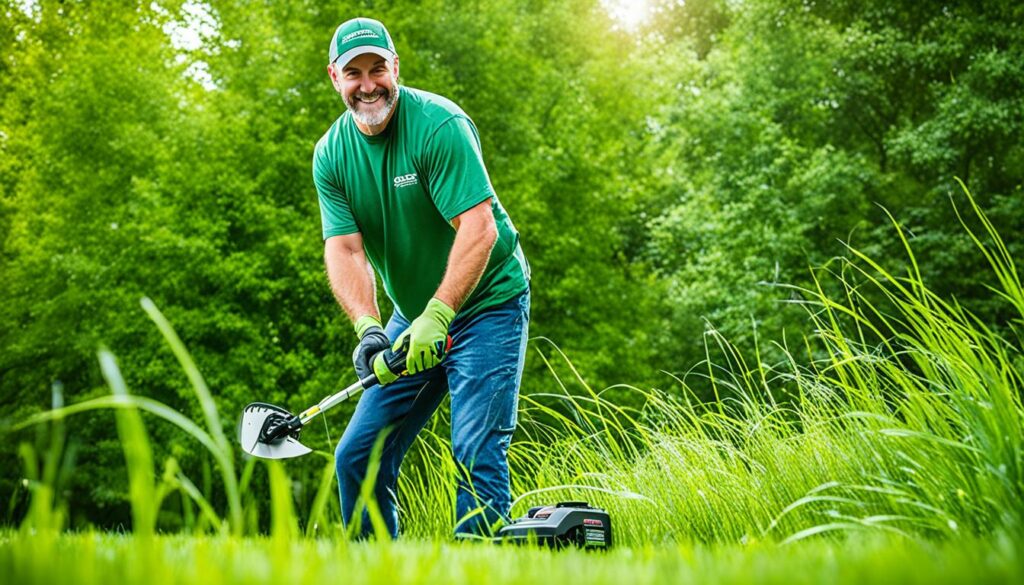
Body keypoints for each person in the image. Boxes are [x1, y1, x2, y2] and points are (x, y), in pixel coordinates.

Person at [311, 17, 531, 539]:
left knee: (475, 447)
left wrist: (441, 312)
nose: (368, 85)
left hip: (487, 306)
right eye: (354, 73)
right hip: (413, 314)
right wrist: (369, 328)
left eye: (377, 69)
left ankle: (480, 567)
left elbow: (479, 228)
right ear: (334, 78)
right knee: (357, 456)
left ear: (396, 68)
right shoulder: (331, 155)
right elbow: (344, 248)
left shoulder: (438, 124)